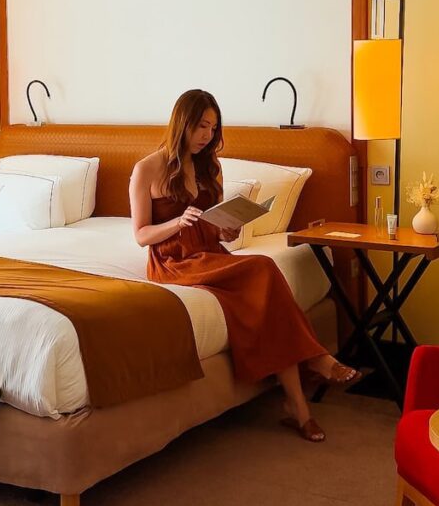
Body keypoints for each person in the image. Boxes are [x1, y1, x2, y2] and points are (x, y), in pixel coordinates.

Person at [129, 89, 360, 442]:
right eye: (202, 126)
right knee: (263, 269)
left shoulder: (211, 166)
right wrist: (178, 222)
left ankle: (298, 407)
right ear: (183, 123)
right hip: (172, 261)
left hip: (209, 253)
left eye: (213, 127)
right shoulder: (147, 169)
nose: (208, 135)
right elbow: (141, 235)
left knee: (265, 288)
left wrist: (227, 228)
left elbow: (218, 232)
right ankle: (314, 363)